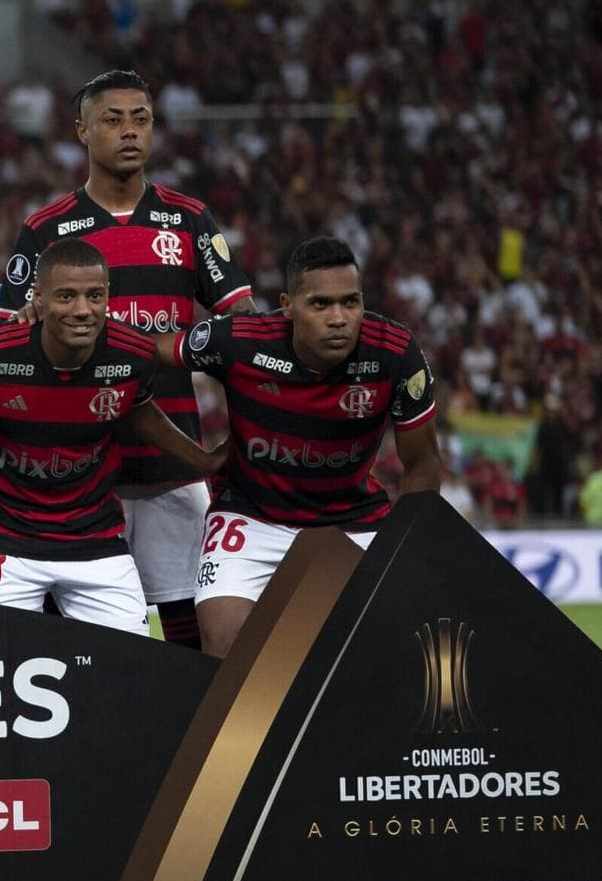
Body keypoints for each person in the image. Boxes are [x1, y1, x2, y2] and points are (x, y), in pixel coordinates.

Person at [4, 69, 256, 649]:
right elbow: (10, 344)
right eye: (112, 120)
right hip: (81, 473)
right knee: (86, 641)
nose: (129, 132)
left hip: (176, 467)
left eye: (140, 119)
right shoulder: (47, 230)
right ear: (82, 131)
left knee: (191, 632)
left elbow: (242, 329)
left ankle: (193, 739)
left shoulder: (188, 220)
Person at [163, 236, 443, 657]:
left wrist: (408, 552)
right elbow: (141, 354)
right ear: (288, 305)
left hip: (350, 517)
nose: (339, 318)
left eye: (351, 302)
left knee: (386, 652)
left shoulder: (394, 353)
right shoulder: (238, 340)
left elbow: (421, 465)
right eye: (321, 304)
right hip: (252, 513)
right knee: (223, 643)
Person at [0, 240, 225, 634]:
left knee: (131, 661)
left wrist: (205, 461)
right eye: (66, 296)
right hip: (4, 538)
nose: (82, 310)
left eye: (94, 295)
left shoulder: (133, 354)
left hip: (94, 537)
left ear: (108, 296)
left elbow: (138, 410)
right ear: (38, 299)